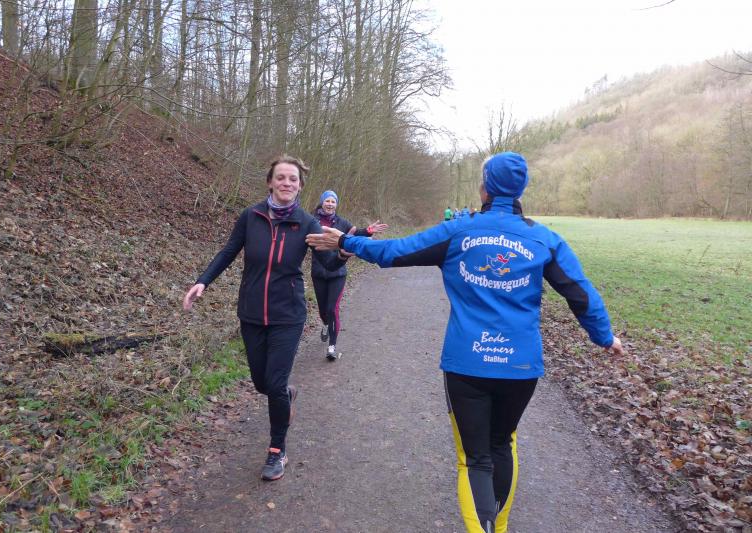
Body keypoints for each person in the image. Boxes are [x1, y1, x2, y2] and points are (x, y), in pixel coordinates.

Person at [307, 151, 624, 533]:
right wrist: (604, 337)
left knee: (474, 459)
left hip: (467, 364)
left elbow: (395, 252)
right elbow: (581, 294)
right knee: (501, 443)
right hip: (520, 366)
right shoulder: (544, 239)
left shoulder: (458, 231)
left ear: (485, 188)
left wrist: (347, 241)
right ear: (520, 190)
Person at [183, 155, 349, 482]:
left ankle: (277, 450)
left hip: (288, 314)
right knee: (263, 383)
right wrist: (203, 281)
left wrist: (344, 251)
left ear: (300, 186)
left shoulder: (307, 223)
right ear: (270, 182)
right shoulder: (251, 216)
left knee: (274, 383)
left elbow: (329, 263)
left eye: (293, 179)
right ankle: (286, 395)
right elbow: (228, 252)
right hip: (251, 312)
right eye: (281, 177)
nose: (287, 183)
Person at [311, 190, 388, 360]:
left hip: (338, 272)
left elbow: (356, 233)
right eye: (327, 201)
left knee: (332, 309)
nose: (330, 204)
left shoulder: (342, 222)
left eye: (333, 201)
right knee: (323, 311)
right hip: (318, 272)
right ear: (322, 202)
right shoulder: (312, 221)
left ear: (336, 204)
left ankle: (332, 346)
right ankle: (325, 323)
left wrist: (368, 231)